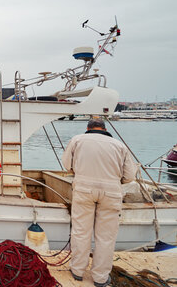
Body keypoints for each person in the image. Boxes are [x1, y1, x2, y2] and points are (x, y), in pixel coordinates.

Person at [62, 118, 137, 287]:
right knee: (106, 237)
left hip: (84, 189)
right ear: (105, 129)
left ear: (88, 128)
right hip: (111, 191)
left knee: (81, 231)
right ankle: (100, 278)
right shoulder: (119, 145)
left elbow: (67, 165)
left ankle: (77, 271)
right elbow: (130, 176)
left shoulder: (77, 140)